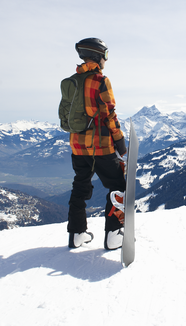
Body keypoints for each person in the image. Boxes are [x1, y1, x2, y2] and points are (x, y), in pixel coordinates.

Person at [66, 37, 128, 250]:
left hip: (77, 145)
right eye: (105, 56)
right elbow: (109, 113)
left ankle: (77, 234)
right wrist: (120, 141)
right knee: (118, 186)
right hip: (100, 146)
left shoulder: (73, 81)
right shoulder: (100, 81)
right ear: (97, 56)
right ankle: (113, 234)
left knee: (80, 186)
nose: (105, 61)